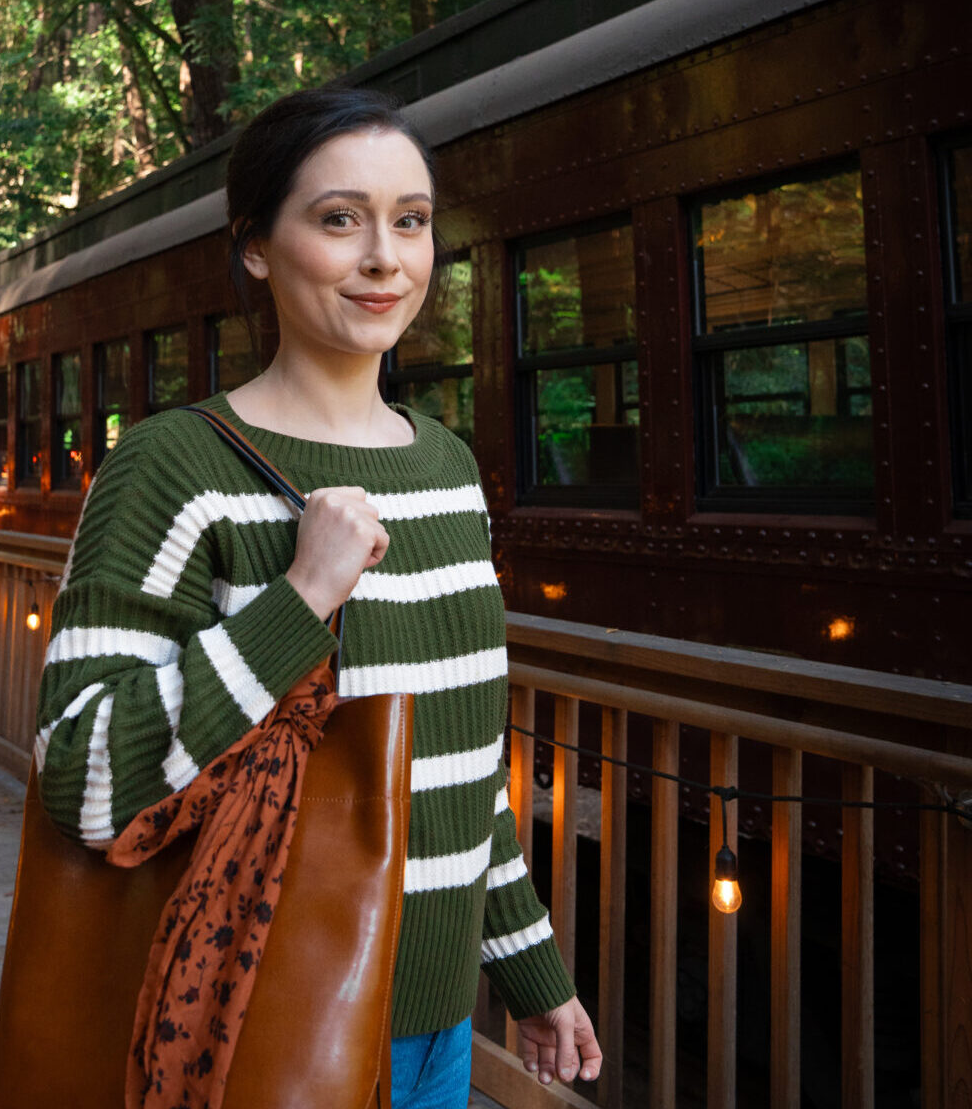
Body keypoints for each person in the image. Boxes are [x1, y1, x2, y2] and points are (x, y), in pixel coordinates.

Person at [33, 86, 602, 1107]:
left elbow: (459, 765)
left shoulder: (447, 469)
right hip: (253, 1014)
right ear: (255, 246)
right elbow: (78, 774)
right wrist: (299, 596)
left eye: (411, 221)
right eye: (340, 219)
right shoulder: (170, 467)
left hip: (435, 1031)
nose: (385, 257)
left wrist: (532, 972)